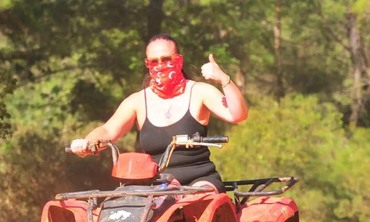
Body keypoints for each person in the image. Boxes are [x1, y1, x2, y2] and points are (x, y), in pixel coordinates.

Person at [69, 34, 248, 192]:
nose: (160, 66)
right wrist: (86, 143)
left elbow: (238, 115)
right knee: (125, 207)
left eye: (166, 59)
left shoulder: (199, 92)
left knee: (193, 202)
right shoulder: (138, 101)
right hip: (157, 184)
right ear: (147, 64)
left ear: (179, 60)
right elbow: (108, 131)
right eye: (154, 61)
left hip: (199, 180)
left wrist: (224, 79)